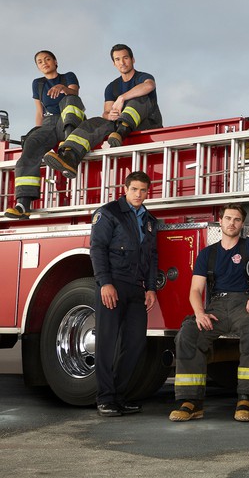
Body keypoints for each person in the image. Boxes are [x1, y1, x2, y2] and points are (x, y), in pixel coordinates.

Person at [169, 203, 249, 423]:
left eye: (237, 219)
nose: (232, 223)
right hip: (217, 308)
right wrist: (200, 313)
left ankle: (245, 398)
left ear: (242, 223)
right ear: (220, 221)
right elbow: (195, 290)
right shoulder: (207, 254)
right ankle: (191, 402)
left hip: (245, 304)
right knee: (188, 334)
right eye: (228, 218)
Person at [90, 171, 158, 417]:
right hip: (113, 285)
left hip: (136, 288)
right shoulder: (109, 213)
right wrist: (105, 283)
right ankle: (105, 398)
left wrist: (151, 288)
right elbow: (97, 248)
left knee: (135, 342)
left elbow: (151, 257)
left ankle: (119, 396)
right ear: (125, 189)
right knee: (107, 343)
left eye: (143, 190)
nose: (139, 194)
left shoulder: (149, 220)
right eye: (135, 189)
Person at [44, 44, 163, 178]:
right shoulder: (111, 87)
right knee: (94, 122)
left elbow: (149, 85)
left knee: (138, 98)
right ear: (114, 63)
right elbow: (106, 112)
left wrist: (122, 98)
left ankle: (122, 131)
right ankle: (70, 157)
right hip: (117, 129)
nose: (122, 62)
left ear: (133, 59)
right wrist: (110, 115)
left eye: (125, 58)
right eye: (117, 59)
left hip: (147, 123)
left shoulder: (143, 77)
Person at [5, 51, 86, 219]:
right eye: (40, 61)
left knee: (69, 101)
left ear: (55, 61)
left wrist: (63, 88)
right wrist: (38, 132)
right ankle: (23, 204)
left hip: (71, 119)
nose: (44, 63)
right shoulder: (38, 83)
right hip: (49, 124)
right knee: (31, 146)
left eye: (47, 59)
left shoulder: (68, 76)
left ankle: (68, 152)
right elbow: (39, 112)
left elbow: (74, 95)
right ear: (38, 67)